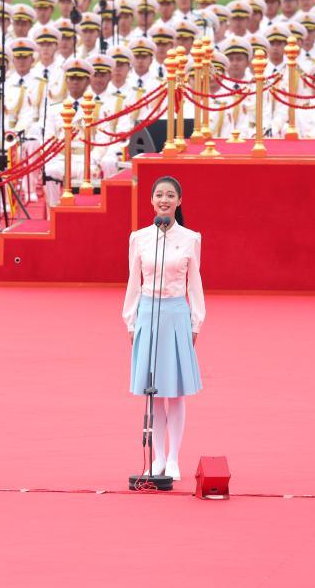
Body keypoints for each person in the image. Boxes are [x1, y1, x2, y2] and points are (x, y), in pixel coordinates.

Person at [122, 176, 205, 480]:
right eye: (159, 195)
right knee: (153, 392)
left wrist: (196, 320)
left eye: (170, 195)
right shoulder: (140, 238)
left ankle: (173, 459)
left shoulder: (191, 238)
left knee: (176, 391)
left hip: (176, 314)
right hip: (147, 312)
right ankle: (156, 458)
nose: (164, 200)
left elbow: (194, 283)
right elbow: (133, 281)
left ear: (179, 201)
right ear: (152, 201)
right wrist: (130, 319)